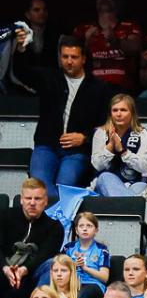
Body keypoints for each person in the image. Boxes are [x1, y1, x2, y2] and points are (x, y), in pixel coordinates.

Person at [28, 37, 112, 190]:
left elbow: (105, 125)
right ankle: (54, 213)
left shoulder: (99, 88)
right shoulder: (49, 79)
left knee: (65, 186)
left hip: (78, 151)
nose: (69, 61)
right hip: (46, 146)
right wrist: (21, 48)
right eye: (65, 57)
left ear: (84, 59)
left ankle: (54, 212)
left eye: (74, 57)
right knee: (39, 185)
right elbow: (21, 72)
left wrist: (85, 138)